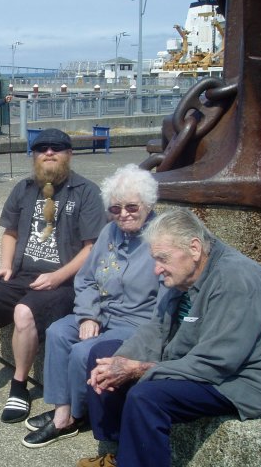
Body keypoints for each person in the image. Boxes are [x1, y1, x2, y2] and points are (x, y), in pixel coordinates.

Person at [76, 208, 261, 467]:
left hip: (241, 380)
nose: (157, 269)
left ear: (194, 248)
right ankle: (120, 450)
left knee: (148, 396)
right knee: (101, 354)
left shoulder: (235, 279)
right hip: (197, 359)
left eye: (162, 259)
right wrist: (118, 362)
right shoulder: (187, 273)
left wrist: (139, 369)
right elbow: (156, 328)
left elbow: (216, 363)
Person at [0, 128, 107, 422]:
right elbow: (10, 232)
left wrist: (58, 277)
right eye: (42, 148)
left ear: (69, 154)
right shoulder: (25, 188)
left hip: (65, 282)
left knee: (25, 312)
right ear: (35, 155)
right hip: (22, 274)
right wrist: (5, 265)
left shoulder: (86, 192)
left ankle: (19, 386)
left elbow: (92, 248)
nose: (49, 152)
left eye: (57, 148)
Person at [22, 164, 164, 448]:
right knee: (58, 332)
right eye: (115, 208)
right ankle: (64, 407)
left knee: (83, 351)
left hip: (136, 323)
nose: (123, 214)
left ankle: (70, 417)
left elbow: (167, 297)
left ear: (148, 204)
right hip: (102, 312)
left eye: (132, 207)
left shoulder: (161, 238)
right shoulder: (110, 233)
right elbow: (86, 279)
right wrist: (89, 315)